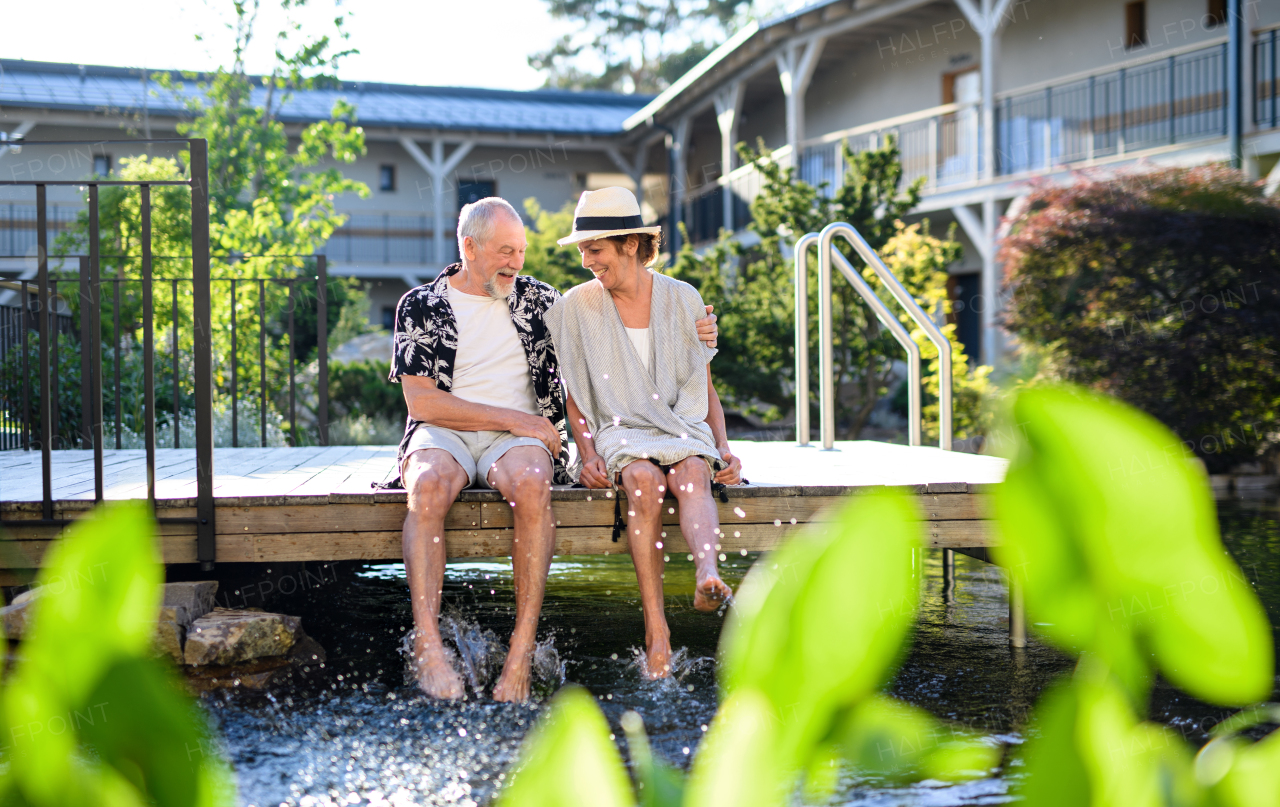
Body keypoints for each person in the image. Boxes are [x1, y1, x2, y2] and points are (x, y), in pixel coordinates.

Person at [389, 196, 719, 701]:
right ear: (469, 246)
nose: (516, 263)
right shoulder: (421, 305)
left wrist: (699, 329)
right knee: (427, 484)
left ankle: (520, 654)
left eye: (520, 251)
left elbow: (603, 342)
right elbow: (422, 402)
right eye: (504, 251)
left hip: (520, 442)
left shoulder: (543, 301)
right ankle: (429, 646)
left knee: (531, 480)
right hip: (446, 429)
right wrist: (519, 418)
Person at [544, 187, 742, 679]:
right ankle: (657, 632)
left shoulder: (683, 298)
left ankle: (707, 573)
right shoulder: (577, 307)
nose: (586, 260)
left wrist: (723, 447)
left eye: (595, 249)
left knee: (694, 471)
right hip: (618, 428)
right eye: (584, 251)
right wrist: (586, 452)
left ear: (630, 244)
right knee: (645, 483)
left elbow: (702, 385)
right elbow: (577, 393)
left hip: (679, 424)